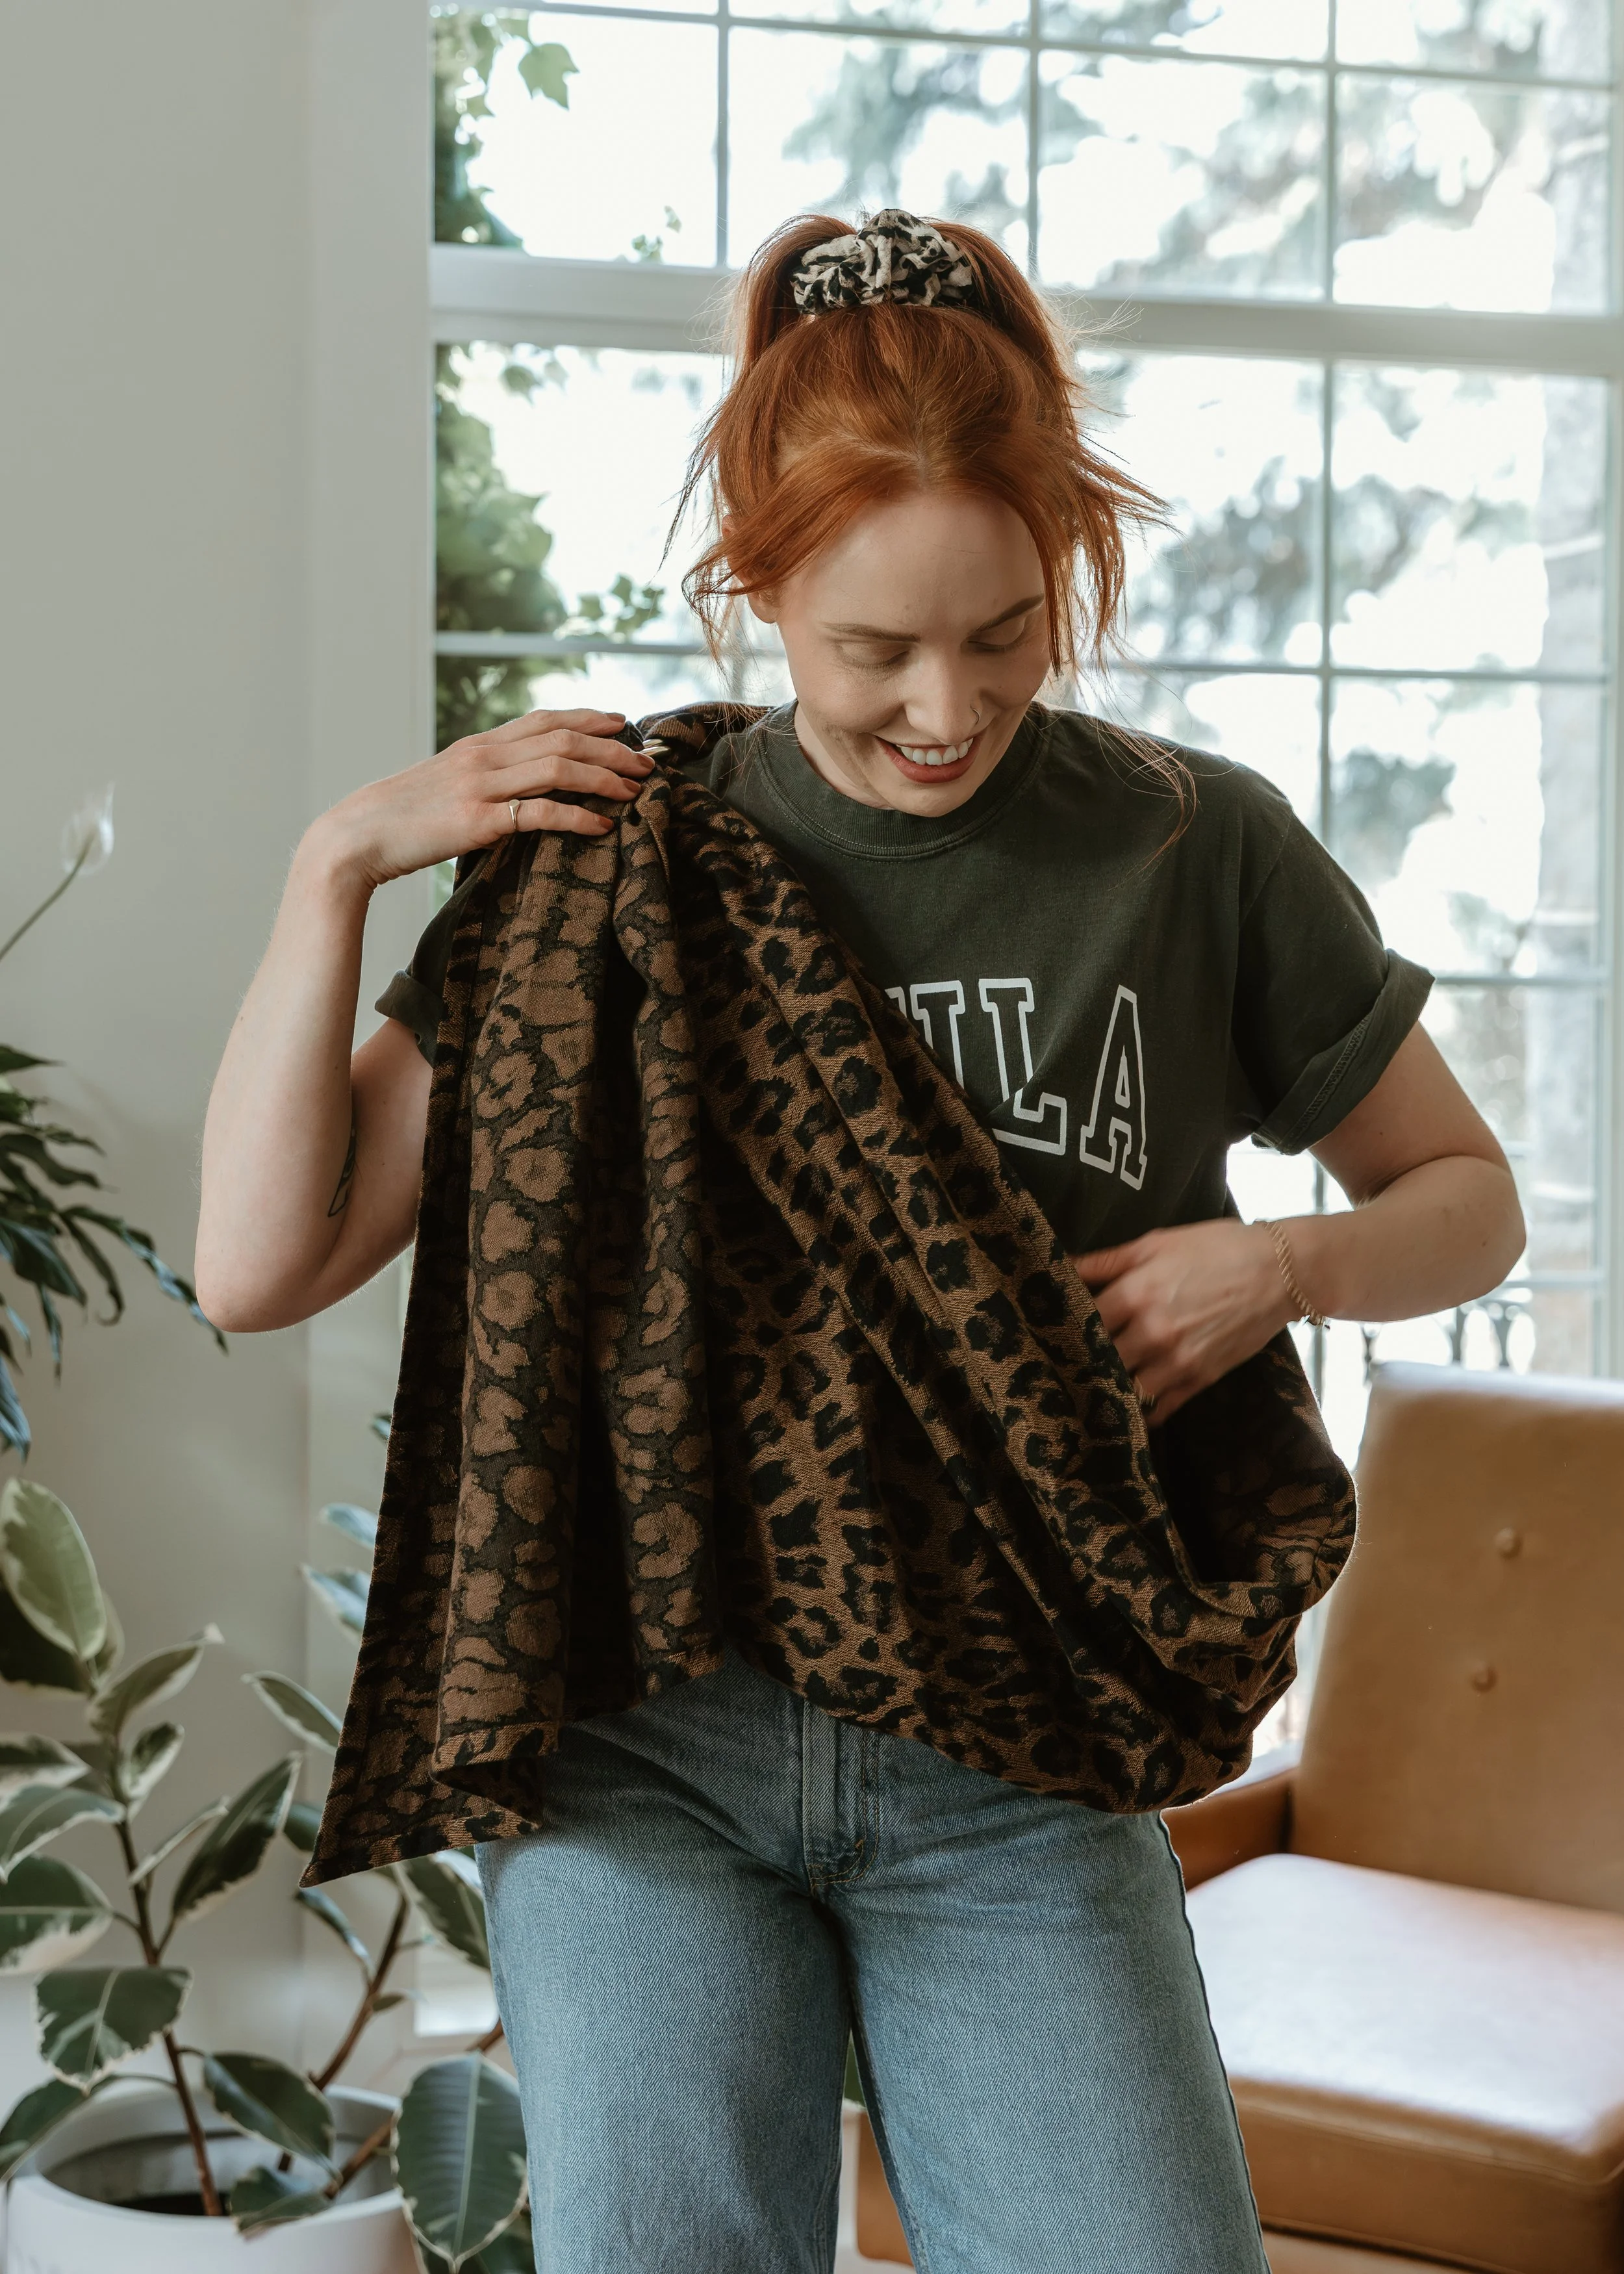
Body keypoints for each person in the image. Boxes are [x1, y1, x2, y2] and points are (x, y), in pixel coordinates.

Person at [196, 211, 1524, 2274]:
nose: (943, 706)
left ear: (1065, 554)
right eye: (869, 649)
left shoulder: (1191, 843)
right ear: (757, 577)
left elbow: (1466, 1199)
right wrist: (332, 866)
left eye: (1003, 632)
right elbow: (261, 1261)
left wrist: (1270, 1267)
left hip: (1018, 1755)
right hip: (649, 1747)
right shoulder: (606, 860)